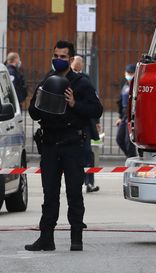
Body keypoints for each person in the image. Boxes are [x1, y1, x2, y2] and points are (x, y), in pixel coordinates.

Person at [26, 40, 103, 252]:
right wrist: (43, 99)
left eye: (63, 57)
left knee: (74, 193)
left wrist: (74, 104)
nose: (58, 60)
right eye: (56, 56)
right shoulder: (47, 80)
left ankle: (76, 238)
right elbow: (33, 111)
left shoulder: (81, 83)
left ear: (71, 59)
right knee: (49, 194)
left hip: (72, 146)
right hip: (50, 144)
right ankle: (46, 238)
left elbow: (96, 109)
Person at [71, 55, 100, 193]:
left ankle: (89, 182)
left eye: (81, 62)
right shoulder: (64, 78)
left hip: (85, 122)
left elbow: (94, 100)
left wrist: (97, 121)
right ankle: (76, 181)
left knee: (88, 152)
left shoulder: (86, 79)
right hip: (69, 122)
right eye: (78, 62)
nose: (80, 64)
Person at [115, 63, 137, 158]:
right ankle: (130, 157)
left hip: (132, 116)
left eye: (131, 73)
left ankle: (131, 159)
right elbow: (120, 102)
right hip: (124, 115)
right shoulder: (125, 86)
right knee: (119, 139)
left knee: (129, 141)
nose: (129, 75)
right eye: (128, 72)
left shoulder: (137, 86)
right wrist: (120, 117)